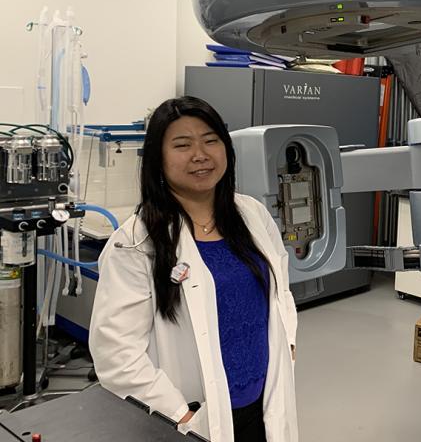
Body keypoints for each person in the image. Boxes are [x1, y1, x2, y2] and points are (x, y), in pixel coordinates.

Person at [89, 96, 299, 442]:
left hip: (264, 399)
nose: (200, 155)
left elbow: (280, 292)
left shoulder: (252, 215)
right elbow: (117, 354)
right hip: (196, 416)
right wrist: (180, 415)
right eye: (182, 145)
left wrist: (287, 341)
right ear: (158, 158)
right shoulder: (137, 243)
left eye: (211, 141)